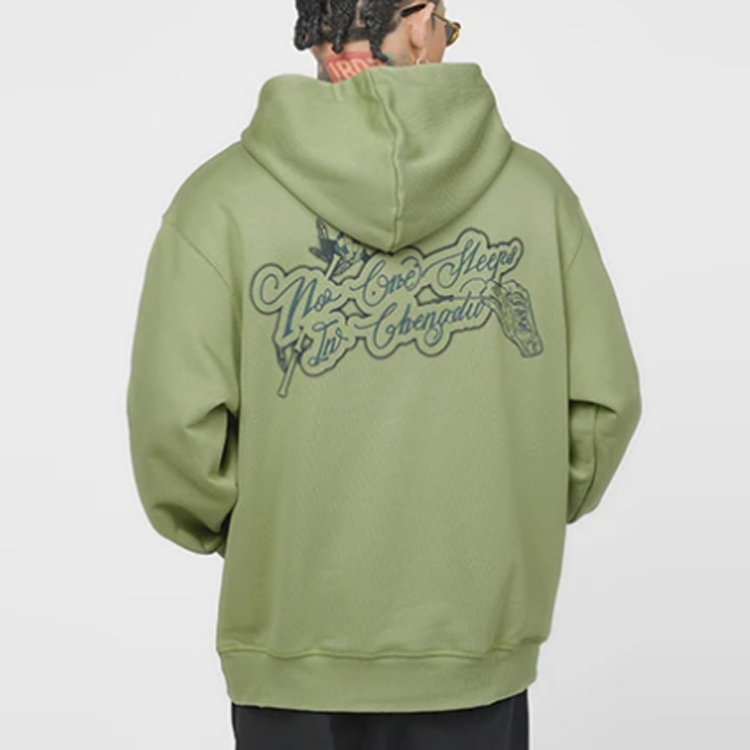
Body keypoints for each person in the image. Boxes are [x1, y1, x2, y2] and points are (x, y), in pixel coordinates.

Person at [125, 1, 643, 748]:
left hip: (289, 656)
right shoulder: (539, 200)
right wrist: (510, 509)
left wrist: (266, 527)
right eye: (447, 24)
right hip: (474, 651)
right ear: (419, 21)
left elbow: (176, 436)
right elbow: (601, 412)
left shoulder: (218, 205)